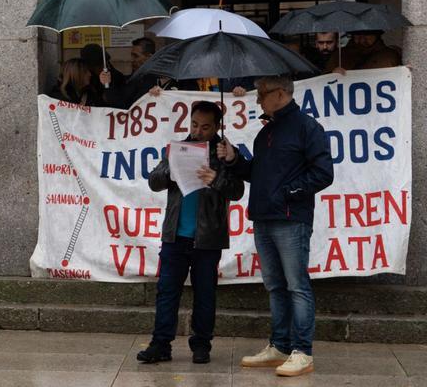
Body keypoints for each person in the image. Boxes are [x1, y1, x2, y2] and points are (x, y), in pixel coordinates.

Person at [216, 75, 334, 377]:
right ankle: (279, 345)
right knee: (275, 286)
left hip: (291, 219)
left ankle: (303, 351)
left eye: (263, 94)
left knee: (297, 285)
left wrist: (287, 193)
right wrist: (234, 158)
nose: (258, 100)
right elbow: (257, 173)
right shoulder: (265, 133)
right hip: (263, 217)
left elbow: (323, 173)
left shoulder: (307, 128)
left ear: (280, 93)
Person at [137, 101, 244, 365]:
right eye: (195, 124)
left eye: (206, 127)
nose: (198, 131)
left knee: (205, 294)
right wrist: (169, 171)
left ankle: (201, 345)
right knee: (167, 291)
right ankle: (160, 344)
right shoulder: (178, 149)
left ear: (217, 127)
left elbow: (238, 191)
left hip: (208, 238)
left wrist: (216, 178)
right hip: (175, 236)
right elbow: (153, 181)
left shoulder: (225, 154)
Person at [324, 30, 401, 73]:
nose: (362, 39)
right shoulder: (340, 56)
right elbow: (322, 82)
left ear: (376, 35)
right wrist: (332, 74)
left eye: (367, 35)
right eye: (357, 35)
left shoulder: (389, 55)